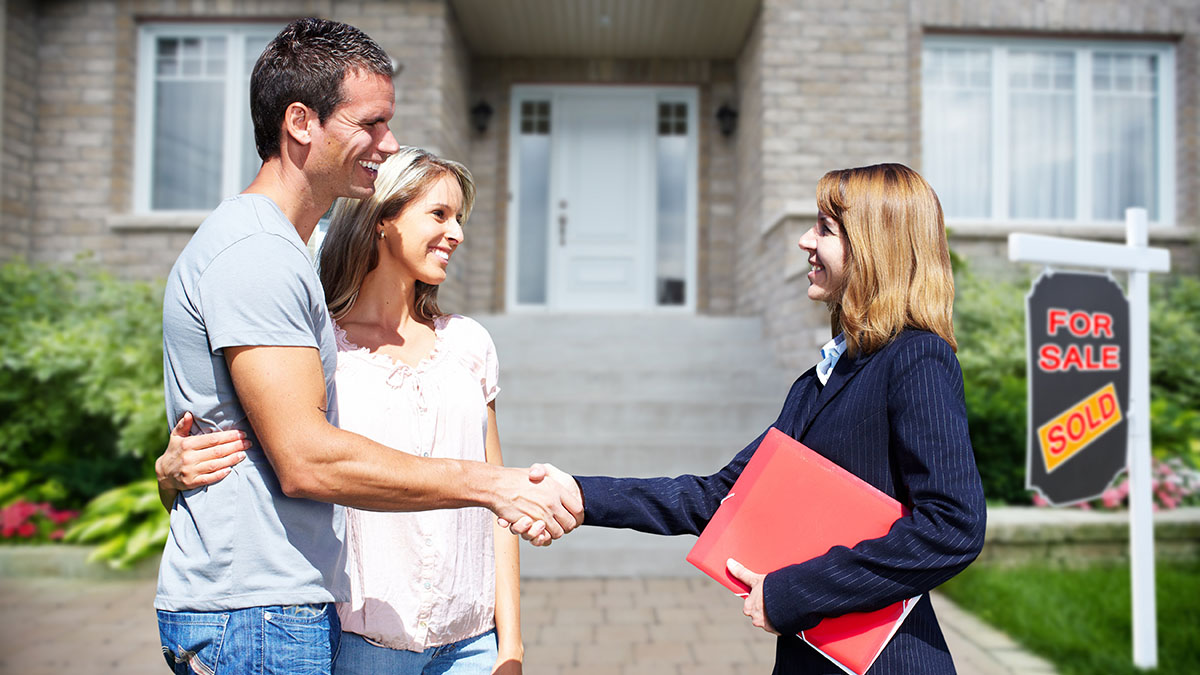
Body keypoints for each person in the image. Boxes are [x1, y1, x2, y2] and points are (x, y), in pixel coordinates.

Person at [156, 18, 576, 675]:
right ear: (301, 122)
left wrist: (171, 475)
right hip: (260, 612)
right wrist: (489, 484)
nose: (390, 142)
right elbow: (305, 458)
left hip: (284, 604)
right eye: (372, 123)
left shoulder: (280, 253)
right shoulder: (259, 254)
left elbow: (247, 436)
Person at [519, 163, 987, 674]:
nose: (806, 241)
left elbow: (952, 528)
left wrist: (794, 592)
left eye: (825, 229)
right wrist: (582, 496)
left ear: (875, 247)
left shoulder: (917, 359)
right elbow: (723, 495)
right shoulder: (817, 383)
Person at [160, 148, 524, 674]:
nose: (457, 234)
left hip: (471, 643)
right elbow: (274, 462)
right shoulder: (317, 347)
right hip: (360, 640)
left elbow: (498, 499)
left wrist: (509, 645)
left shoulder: (470, 345)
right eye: (439, 214)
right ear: (382, 219)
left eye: (459, 219)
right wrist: (167, 476)